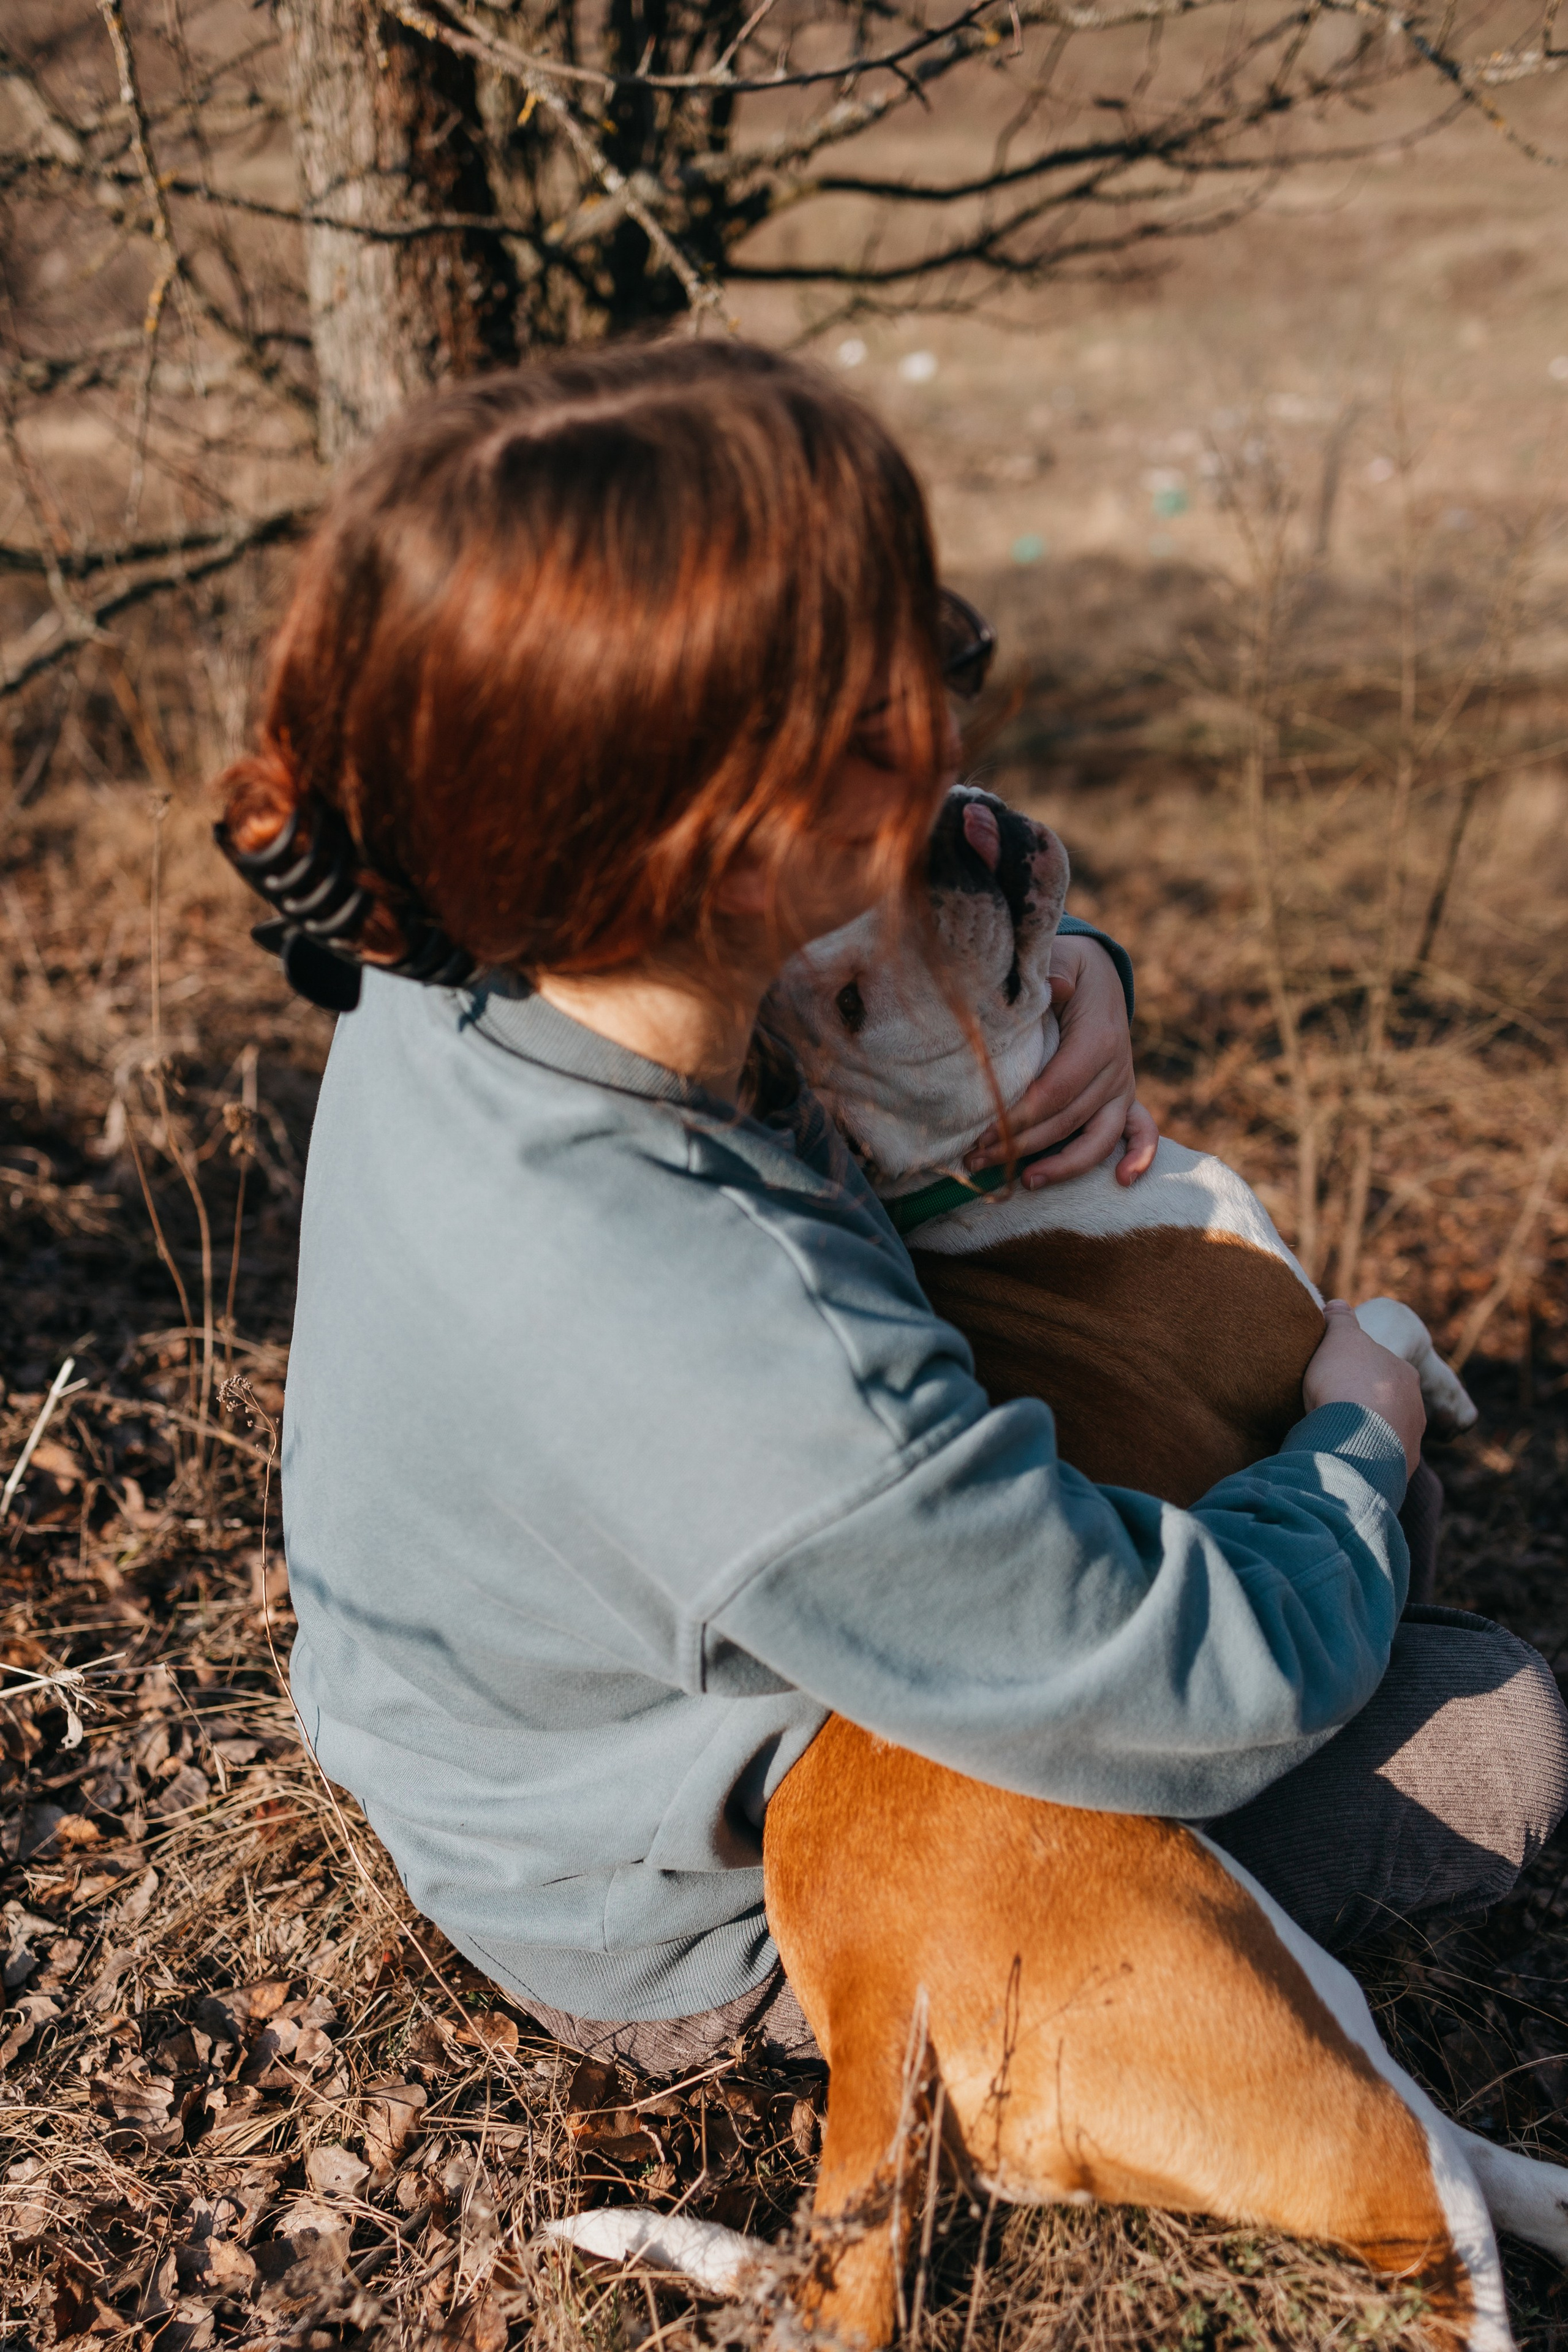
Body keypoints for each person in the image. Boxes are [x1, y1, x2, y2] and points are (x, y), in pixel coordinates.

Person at [216, 342, 1568, 2074]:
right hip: (685, 1896)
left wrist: (1059, 964)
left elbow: (902, 904)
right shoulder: (712, 1324)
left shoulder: (465, 907)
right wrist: (1360, 1438)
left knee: (1350, 1560)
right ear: (732, 836)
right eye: (902, 705)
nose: (950, 728)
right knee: (1493, 1734)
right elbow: (1186, 1687)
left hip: (507, 1717)